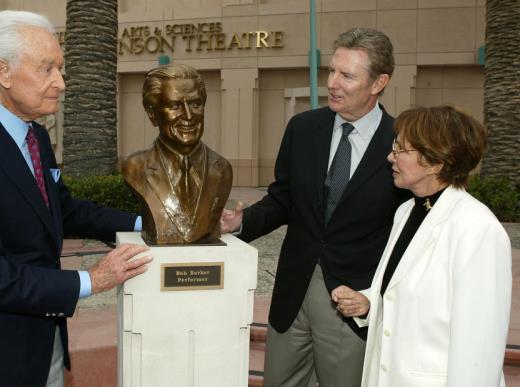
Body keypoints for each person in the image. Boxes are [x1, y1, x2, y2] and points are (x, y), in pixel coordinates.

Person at [0, 10, 152, 387]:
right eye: (47, 69)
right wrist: (90, 280)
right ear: (3, 72)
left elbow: (63, 209)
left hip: (44, 344)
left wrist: (149, 222)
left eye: (60, 69)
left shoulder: (36, 138)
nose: (61, 83)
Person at [221, 28, 407, 386]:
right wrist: (239, 223)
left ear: (379, 82)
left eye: (347, 75)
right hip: (293, 295)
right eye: (332, 71)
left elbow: (406, 233)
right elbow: (282, 200)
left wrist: (374, 299)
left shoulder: (400, 141)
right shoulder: (303, 128)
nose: (333, 83)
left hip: (351, 304)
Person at [332, 105, 512, 387]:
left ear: (435, 162)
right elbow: (410, 291)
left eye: (401, 150)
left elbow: (479, 346)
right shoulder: (406, 211)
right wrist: (369, 303)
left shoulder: (477, 229)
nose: (390, 156)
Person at [122, 64, 232, 245]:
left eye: (195, 104)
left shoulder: (222, 169)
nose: (189, 115)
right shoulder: (135, 167)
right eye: (175, 105)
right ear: (152, 113)